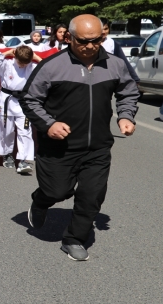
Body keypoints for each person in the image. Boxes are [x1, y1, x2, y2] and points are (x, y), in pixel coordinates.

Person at [20, 14, 139, 261]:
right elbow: (30, 99)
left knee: (92, 196)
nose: (90, 46)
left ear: (103, 37)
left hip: (97, 147)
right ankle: (42, 201)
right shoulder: (52, 66)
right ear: (69, 37)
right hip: (59, 147)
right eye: (83, 41)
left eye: (96, 40)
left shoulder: (115, 64)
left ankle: (74, 238)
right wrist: (49, 124)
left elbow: (128, 92)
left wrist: (126, 116)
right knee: (57, 191)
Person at [0, 46, 42, 174]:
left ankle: (24, 160)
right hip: (7, 99)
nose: (23, 65)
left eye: (26, 63)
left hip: (23, 100)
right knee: (6, 129)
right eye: (21, 62)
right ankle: (7, 154)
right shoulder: (7, 64)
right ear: (15, 57)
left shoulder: (32, 65)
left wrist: (35, 57)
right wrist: (8, 52)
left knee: (25, 130)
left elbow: (48, 68)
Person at [99, 18, 141, 83]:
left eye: (106, 29)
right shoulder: (89, 43)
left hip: (108, 78)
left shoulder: (112, 44)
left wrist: (135, 79)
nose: (103, 32)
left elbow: (124, 62)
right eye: (101, 29)